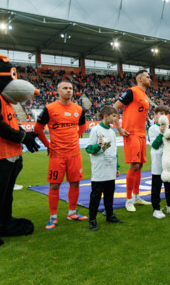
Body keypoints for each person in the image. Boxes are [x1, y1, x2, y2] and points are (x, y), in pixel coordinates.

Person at [35, 80, 88, 230]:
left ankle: (72, 212)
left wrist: (75, 136)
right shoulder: (49, 108)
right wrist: (48, 145)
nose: (68, 91)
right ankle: (53, 217)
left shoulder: (78, 109)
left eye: (71, 88)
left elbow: (83, 125)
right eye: (65, 88)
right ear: (58, 91)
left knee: (75, 183)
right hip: (57, 154)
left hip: (74, 153)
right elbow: (37, 129)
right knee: (54, 185)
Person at [114, 69, 152, 213]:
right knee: (134, 165)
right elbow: (115, 107)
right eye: (147, 77)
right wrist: (119, 128)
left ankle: (136, 196)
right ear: (140, 79)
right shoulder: (132, 92)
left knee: (140, 165)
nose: (150, 79)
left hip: (142, 134)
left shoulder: (145, 95)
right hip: (132, 133)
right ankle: (128, 199)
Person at [85, 105, 123, 231]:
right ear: (105, 116)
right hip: (99, 169)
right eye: (114, 116)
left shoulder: (112, 132)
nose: (116, 119)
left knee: (109, 194)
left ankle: (110, 215)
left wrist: (116, 166)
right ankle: (92, 220)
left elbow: (114, 150)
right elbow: (89, 149)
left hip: (110, 168)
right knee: (95, 196)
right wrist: (98, 146)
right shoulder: (95, 130)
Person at [149, 105, 170, 219]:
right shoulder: (152, 128)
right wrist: (161, 133)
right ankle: (156, 209)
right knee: (156, 186)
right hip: (158, 161)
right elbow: (155, 145)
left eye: (165, 114)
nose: (163, 116)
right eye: (161, 113)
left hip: (169, 161)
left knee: (169, 185)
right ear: (156, 115)